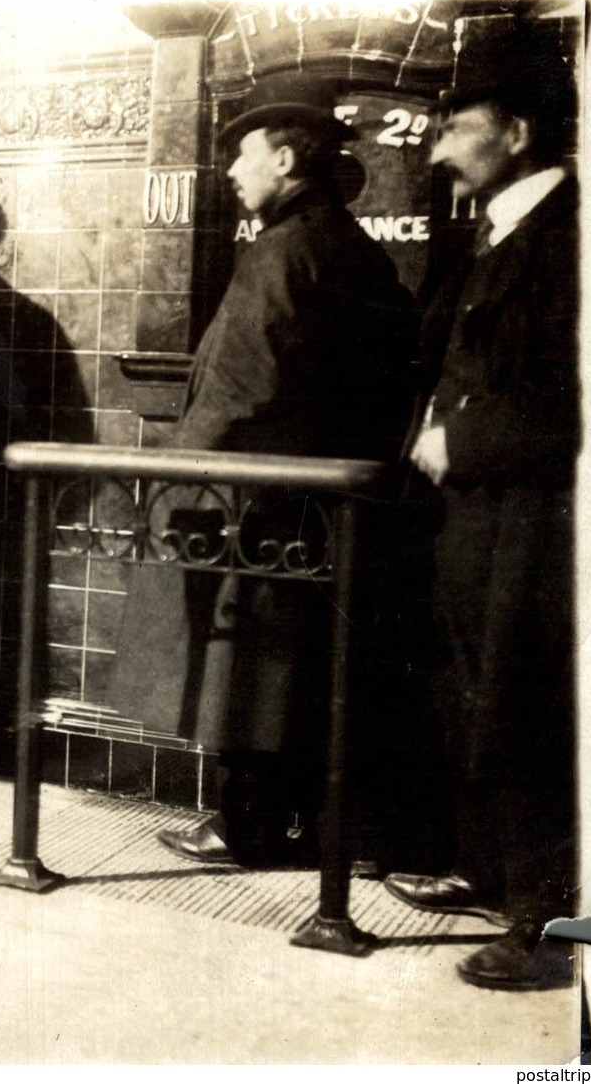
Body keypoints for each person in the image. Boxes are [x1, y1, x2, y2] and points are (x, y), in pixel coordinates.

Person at [111, 72, 419, 866]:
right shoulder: (347, 247)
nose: (232, 173)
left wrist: (177, 484)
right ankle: (304, 828)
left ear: (284, 159)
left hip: (260, 504)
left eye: (243, 158)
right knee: (299, 670)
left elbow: (240, 388)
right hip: (323, 502)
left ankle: (245, 828)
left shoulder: (280, 253)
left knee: (247, 667)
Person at [381, 26, 579, 992]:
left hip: (537, 518)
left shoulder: (571, 237)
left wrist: (458, 440)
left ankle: (547, 927)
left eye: (455, 128)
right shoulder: (496, 226)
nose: (436, 149)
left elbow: (572, 400)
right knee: (477, 693)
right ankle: (496, 874)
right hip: (475, 516)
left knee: (529, 704)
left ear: (515, 130)